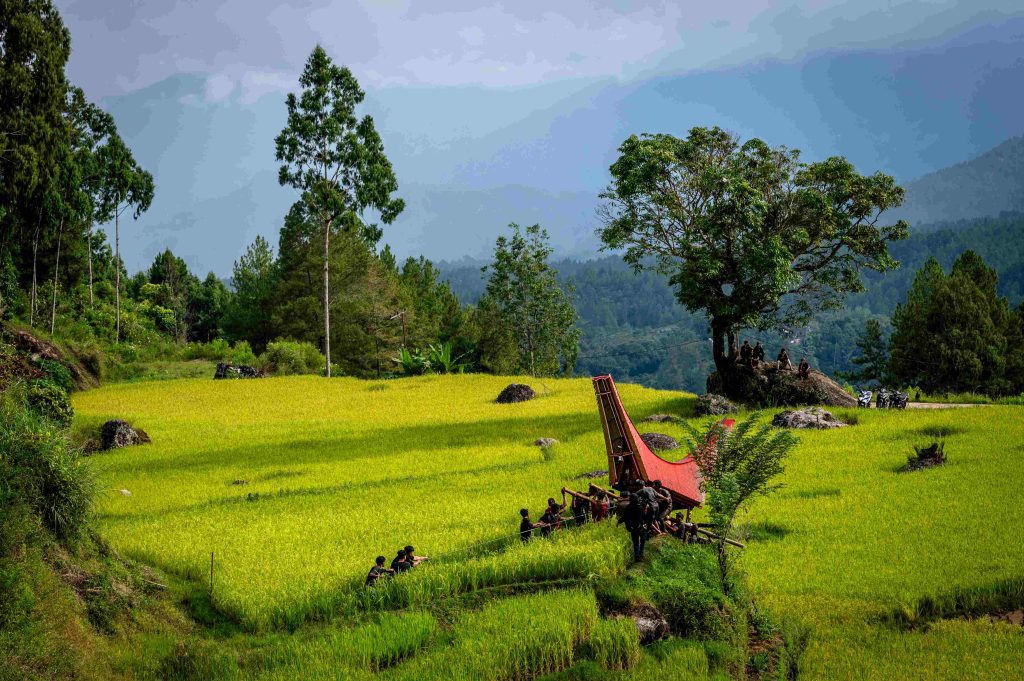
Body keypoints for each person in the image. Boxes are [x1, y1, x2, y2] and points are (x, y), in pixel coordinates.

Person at [619, 492, 648, 561]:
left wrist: (619, 521)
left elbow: (625, 517)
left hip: (632, 527)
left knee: (635, 542)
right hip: (640, 527)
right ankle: (641, 555)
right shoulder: (639, 507)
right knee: (643, 540)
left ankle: (637, 557)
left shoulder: (628, 507)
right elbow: (643, 516)